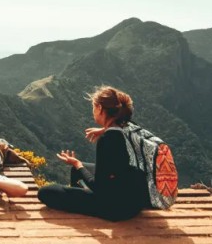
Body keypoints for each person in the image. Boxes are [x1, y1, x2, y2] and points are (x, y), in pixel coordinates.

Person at [37, 86, 151, 221]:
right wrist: (105, 129)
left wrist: (77, 163)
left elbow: (99, 187)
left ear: (100, 109)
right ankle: (83, 199)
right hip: (135, 202)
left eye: (94, 107)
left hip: (117, 209)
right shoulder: (131, 129)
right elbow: (120, 130)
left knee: (45, 192)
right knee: (76, 170)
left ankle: (86, 204)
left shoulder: (107, 140)